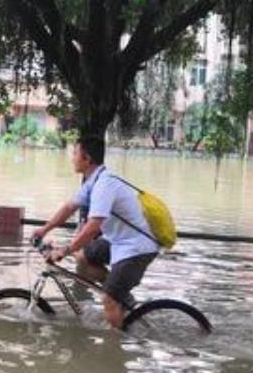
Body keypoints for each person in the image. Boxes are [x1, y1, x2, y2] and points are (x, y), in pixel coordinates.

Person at [32, 135, 158, 328]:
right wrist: (44, 229)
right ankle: (121, 293)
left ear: (87, 158)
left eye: (75, 153)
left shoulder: (104, 185)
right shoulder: (93, 181)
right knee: (82, 255)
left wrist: (64, 250)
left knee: (108, 299)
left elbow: (92, 228)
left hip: (136, 247)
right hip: (118, 241)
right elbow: (69, 208)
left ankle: (115, 346)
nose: (72, 158)